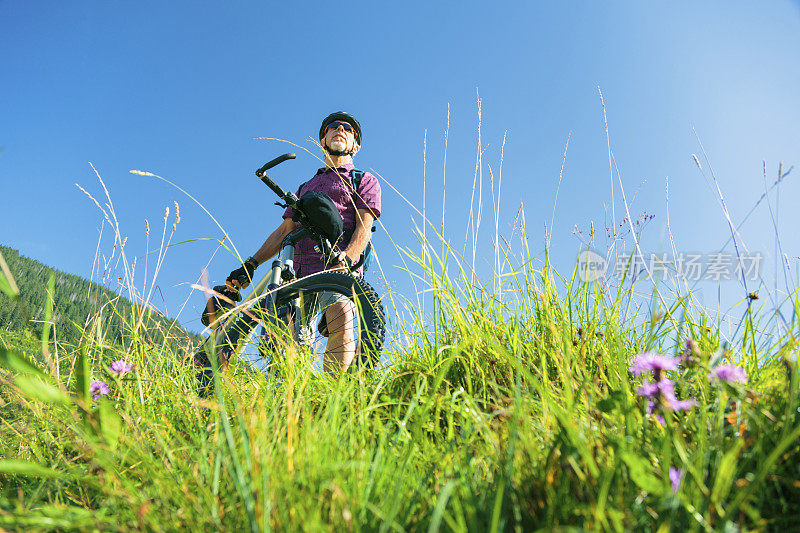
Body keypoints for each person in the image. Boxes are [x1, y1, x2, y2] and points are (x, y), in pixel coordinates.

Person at [224, 111, 381, 373]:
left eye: (348, 129)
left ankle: (335, 396)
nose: (340, 129)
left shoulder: (363, 180)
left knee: (341, 319)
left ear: (356, 145)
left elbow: (365, 225)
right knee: (288, 342)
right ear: (322, 140)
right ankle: (294, 401)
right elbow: (284, 230)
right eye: (333, 127)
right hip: (297, 272)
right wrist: (250, 264)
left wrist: (349, 257)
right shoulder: (306, 186)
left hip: (337, 266)